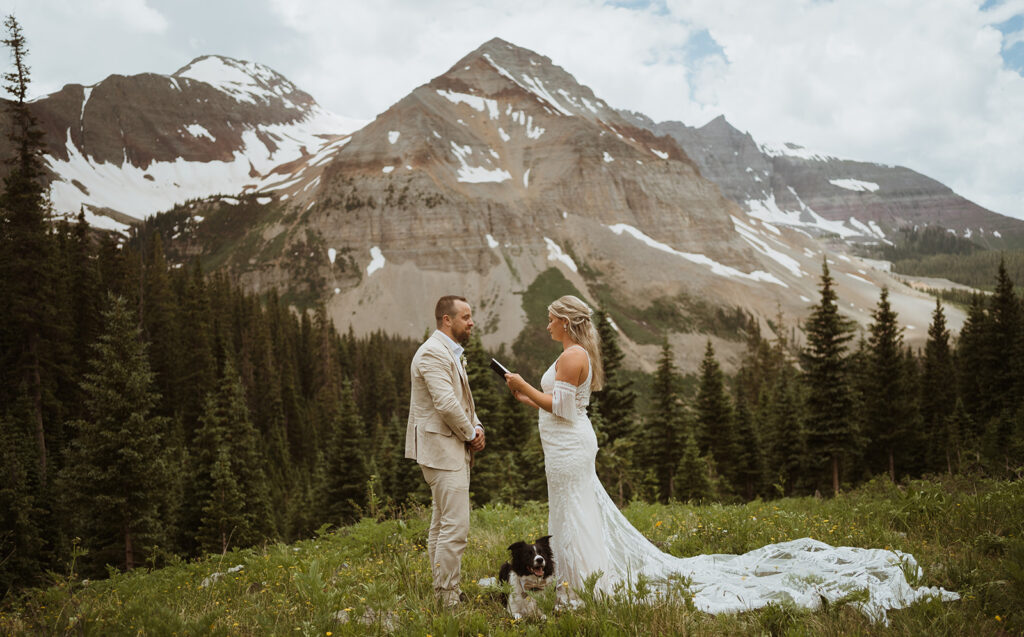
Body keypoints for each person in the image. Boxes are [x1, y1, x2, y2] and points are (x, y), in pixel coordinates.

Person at [504, 294, 956, 621]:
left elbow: (561, 408)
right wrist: (525, 396)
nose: (546, 326)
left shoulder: (572, 356)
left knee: (575, 514)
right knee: (569, 513)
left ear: (565, 321)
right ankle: (576, 584)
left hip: (568, 448)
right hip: (565, 445)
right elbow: (559, 404)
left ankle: (582, 590)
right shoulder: (572, 354)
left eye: (550, 319)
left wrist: (525, 388)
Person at [406, 295, 486, 608]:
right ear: (446, 320)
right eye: (465, 317)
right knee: (455, 527)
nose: (471, 323)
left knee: (441, 524)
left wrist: (477, 428)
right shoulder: (431, 353)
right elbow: (446, 404)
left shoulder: (449, 352)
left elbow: (464, 400)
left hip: (450, 447)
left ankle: (444, 591)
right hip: (440, 450)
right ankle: (448, 597)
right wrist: (470, 434)